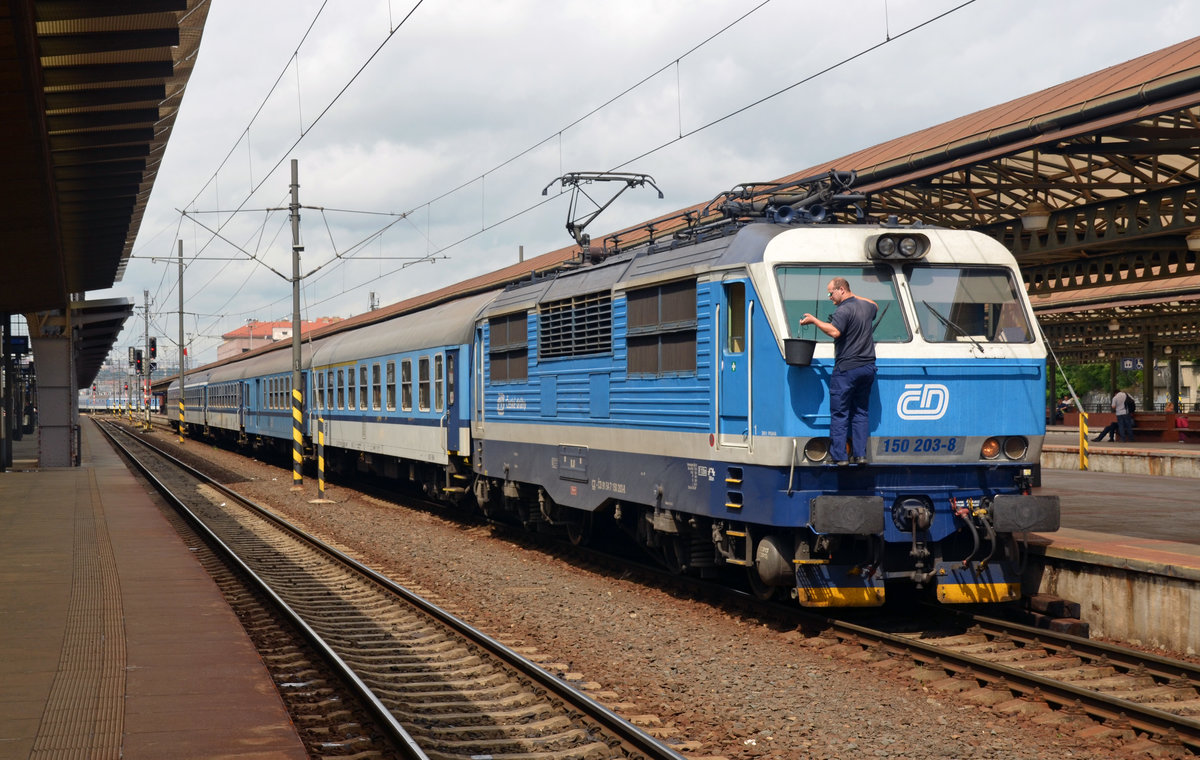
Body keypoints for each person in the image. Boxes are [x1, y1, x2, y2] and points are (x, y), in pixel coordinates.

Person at [800, 277, 878, 465]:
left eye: (831, 293)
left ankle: (840, 456)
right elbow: (874, 303)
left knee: (840, 413)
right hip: (868, 367)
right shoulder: (866, 307)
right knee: (861, 412)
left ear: (841, 289)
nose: (829, 297)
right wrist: (852, 295)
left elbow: (835, 332)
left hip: (847, 368)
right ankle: (860, 455)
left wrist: (814, 321)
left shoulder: (843, 310)